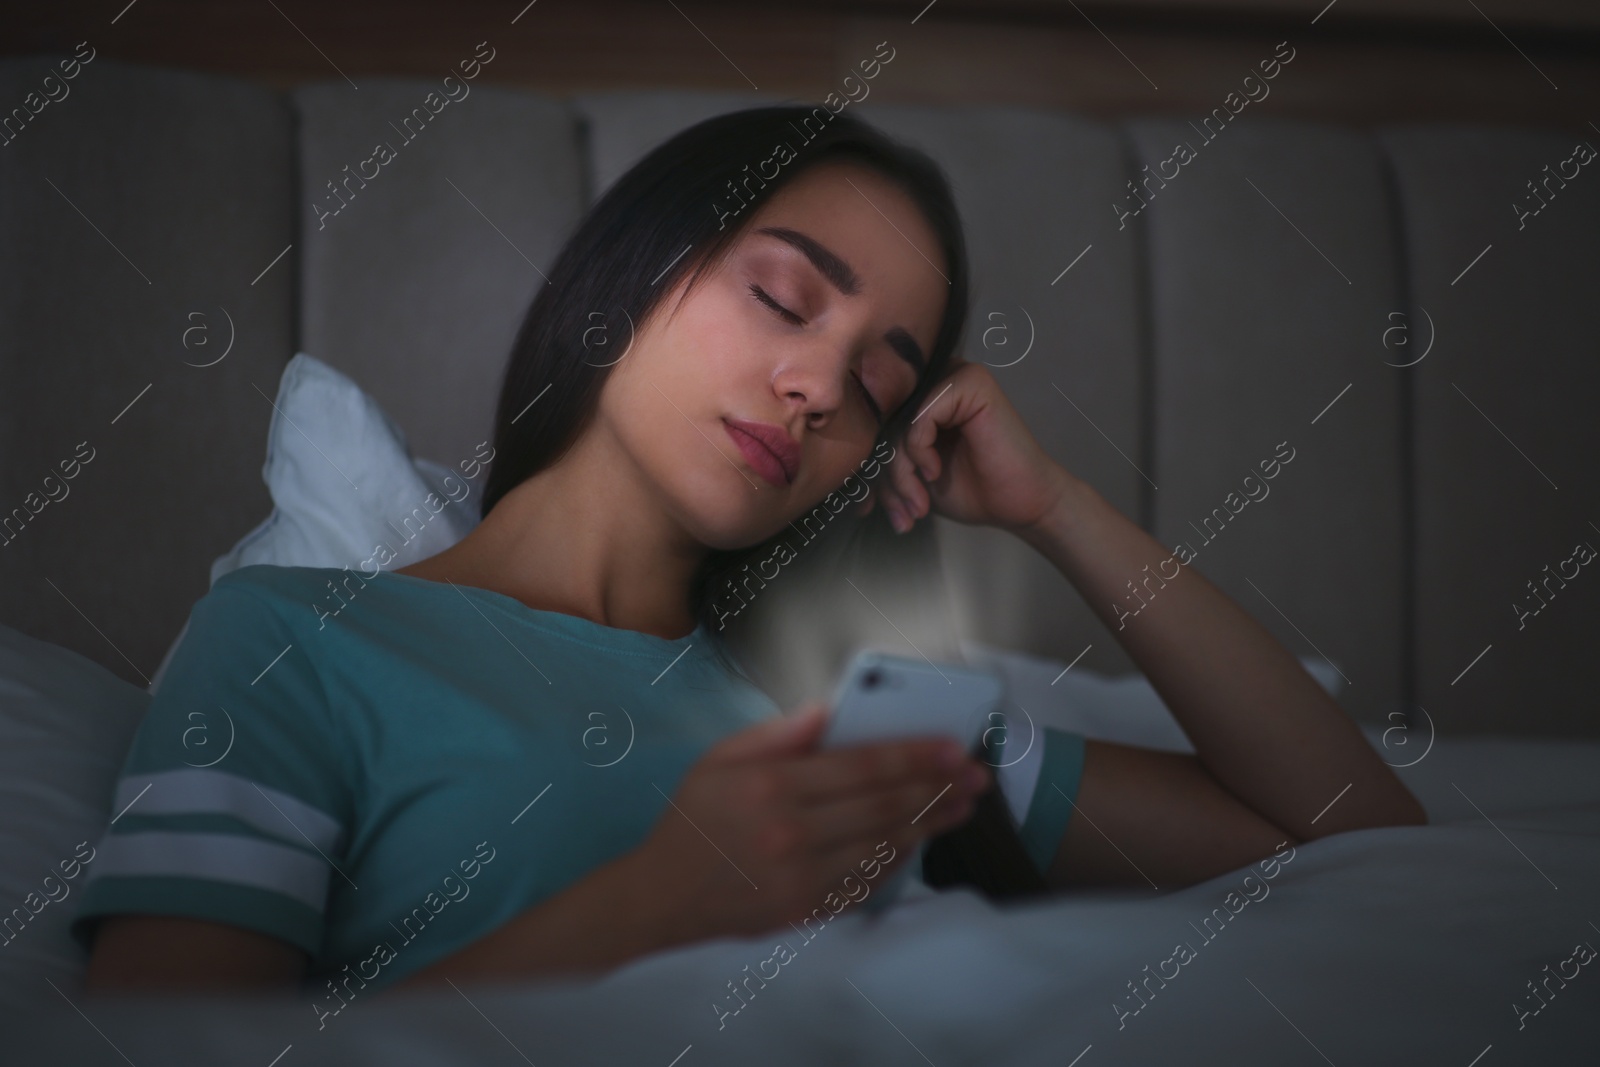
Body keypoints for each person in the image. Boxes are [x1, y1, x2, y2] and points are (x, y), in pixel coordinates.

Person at [75, 105, 1424, 999]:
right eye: (782, 296)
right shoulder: (290, 647)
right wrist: (658, 901)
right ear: (636, 270)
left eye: (880, 387)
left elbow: (1356, 840)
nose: (821, 386)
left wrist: (1055, 507)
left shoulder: (854, 725)